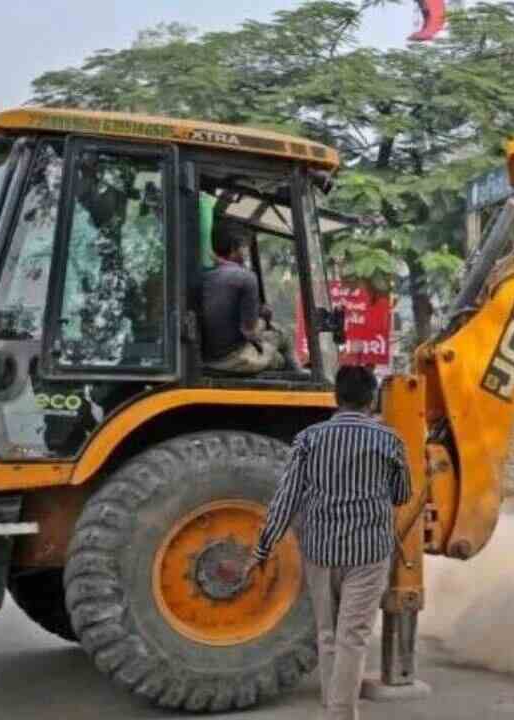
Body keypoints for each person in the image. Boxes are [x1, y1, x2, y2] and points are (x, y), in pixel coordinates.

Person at [245, 365, 411, 720]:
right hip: (368, 554)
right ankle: (339, 715)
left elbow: (286, 499)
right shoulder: (390, 441)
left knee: (328, 634)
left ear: (337, 398)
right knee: (353, 636)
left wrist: (263, 548)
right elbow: (401, 495)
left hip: (320, 552)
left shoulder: (308, 439)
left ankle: (332, 707)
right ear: (372, 399)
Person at [200, 218, 291, 373]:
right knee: (280, 349)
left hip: (208, 356)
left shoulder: (204, 276)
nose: (245, 252)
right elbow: (250, 332)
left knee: (278, 336)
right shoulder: (245, 277)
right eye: (243, 247)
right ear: (234, 248)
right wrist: (263, 318)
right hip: (232, 358)